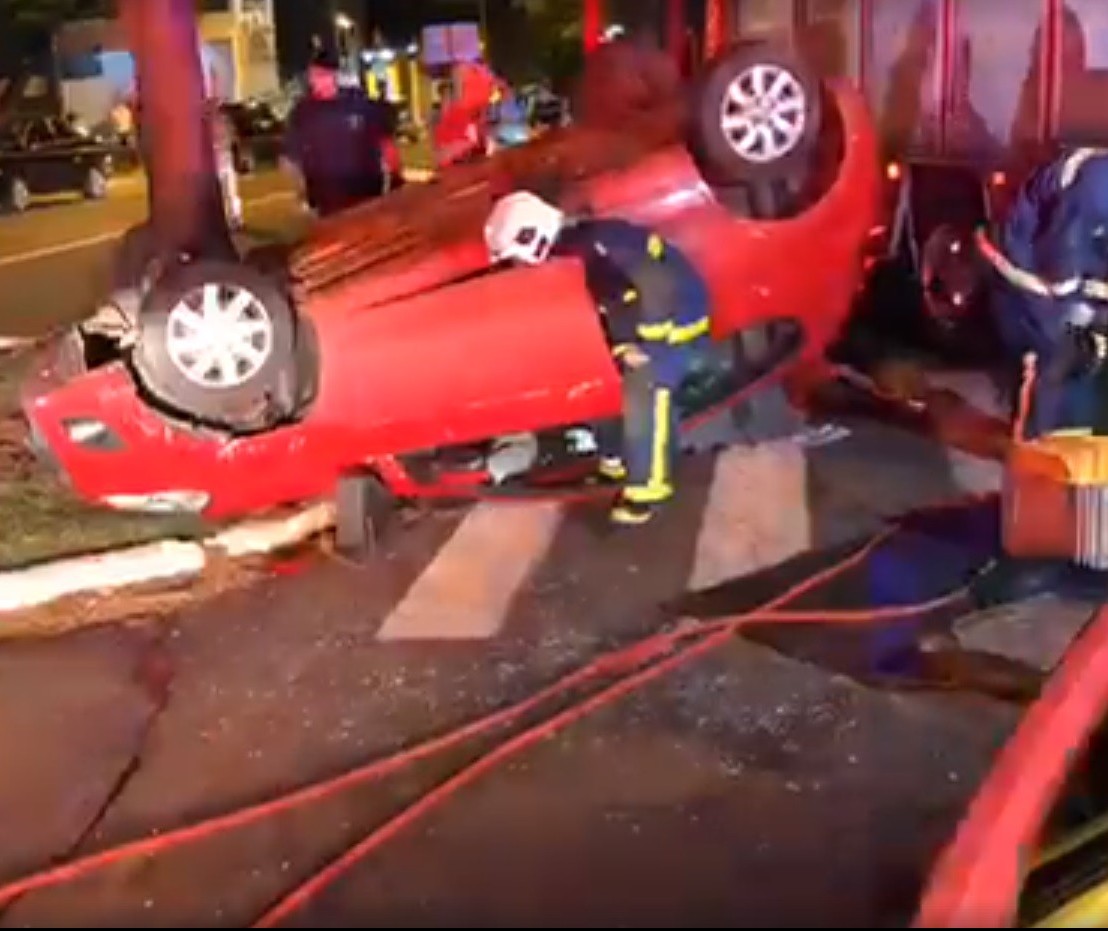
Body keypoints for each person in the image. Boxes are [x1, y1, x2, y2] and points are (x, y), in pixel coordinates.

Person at [484, 191, 711, 526]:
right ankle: (615, 461)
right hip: (638, 324)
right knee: (597, 381)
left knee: (645, 392)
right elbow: (615, 298)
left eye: (516, 257)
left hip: (674, 327)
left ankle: (648, 491)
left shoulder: (601, 244)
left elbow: (654, 284)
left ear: (532, 238)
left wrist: (645, 345)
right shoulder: (578, 246)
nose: (518, 265)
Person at [979, 147, 1108, 436]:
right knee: (1062, 349)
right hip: (1028, 264)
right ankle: (1039, 449)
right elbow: (1062, 260)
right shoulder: (1100, 185)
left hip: (1063, 264)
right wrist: (1086, 307)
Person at [282, 47, 391, 217]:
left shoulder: (358, 104)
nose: (317, 80)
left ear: (335, 75)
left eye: (322, 75)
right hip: (327, 202)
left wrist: (393, 177)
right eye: (314, 75)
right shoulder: (303, 113)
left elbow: (385, 141)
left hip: (367, 197)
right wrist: (301, 192)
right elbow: (289, 158)